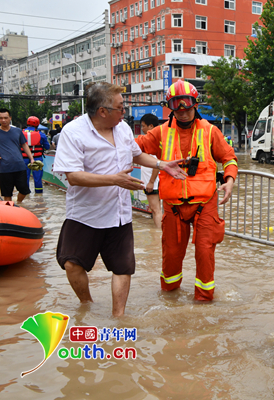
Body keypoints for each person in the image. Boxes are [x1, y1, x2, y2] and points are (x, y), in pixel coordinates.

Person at [53, 82, 186, 317]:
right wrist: (113, 180)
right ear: (103, 111)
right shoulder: (73, 132)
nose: (125, 111)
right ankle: (87, 304)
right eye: (121, 107)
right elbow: (73, 176)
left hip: (119, 213)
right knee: (72, 263)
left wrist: (162, 164)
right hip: (85, 213)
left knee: (123, 268)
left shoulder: (123, 128)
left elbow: (137, 154)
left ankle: (118, 317)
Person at [135, 79, 238, 302]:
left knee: (204, 253)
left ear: (195, 104)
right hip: (173, 207)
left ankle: (203, 304)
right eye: (176, 105)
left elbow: (229, 158)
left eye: (186, 104)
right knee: (171, 255)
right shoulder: (160, 133)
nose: (182, 110)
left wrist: (229, 180)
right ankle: (170, 299)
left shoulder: (211, 132)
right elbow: (134, 147)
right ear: (170, 107)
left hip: (205, 204)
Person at [0, 108, 35, 203]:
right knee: (7, 194)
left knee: (24, 190)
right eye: (1, 118)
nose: (3, 120)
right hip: (4, 168)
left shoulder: (17, 131)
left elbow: (24, 145)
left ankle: (19, 204)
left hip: (20, 166)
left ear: (10, 118)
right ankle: (10, 212)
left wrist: (31, 158)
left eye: (5, 118)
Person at [139, 113, 162, 228]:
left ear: (151, 126)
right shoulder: (153, 139)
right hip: (153, 182)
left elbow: (157, 164)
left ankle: (159, 235)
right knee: (156, 209)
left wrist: (151, 181)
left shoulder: (152, 141)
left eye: (143, 126)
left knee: (155, 209)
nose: (142, 129)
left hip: (153, 182)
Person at [22, 116, 50, 194]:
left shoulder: (20, 133)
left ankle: (25, 194)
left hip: (23, 159)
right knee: (37, 178)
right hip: (37, 159)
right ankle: (38, 195)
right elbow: (47, 147)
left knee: (25, 177)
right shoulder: (41, 134)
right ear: (37, 124)